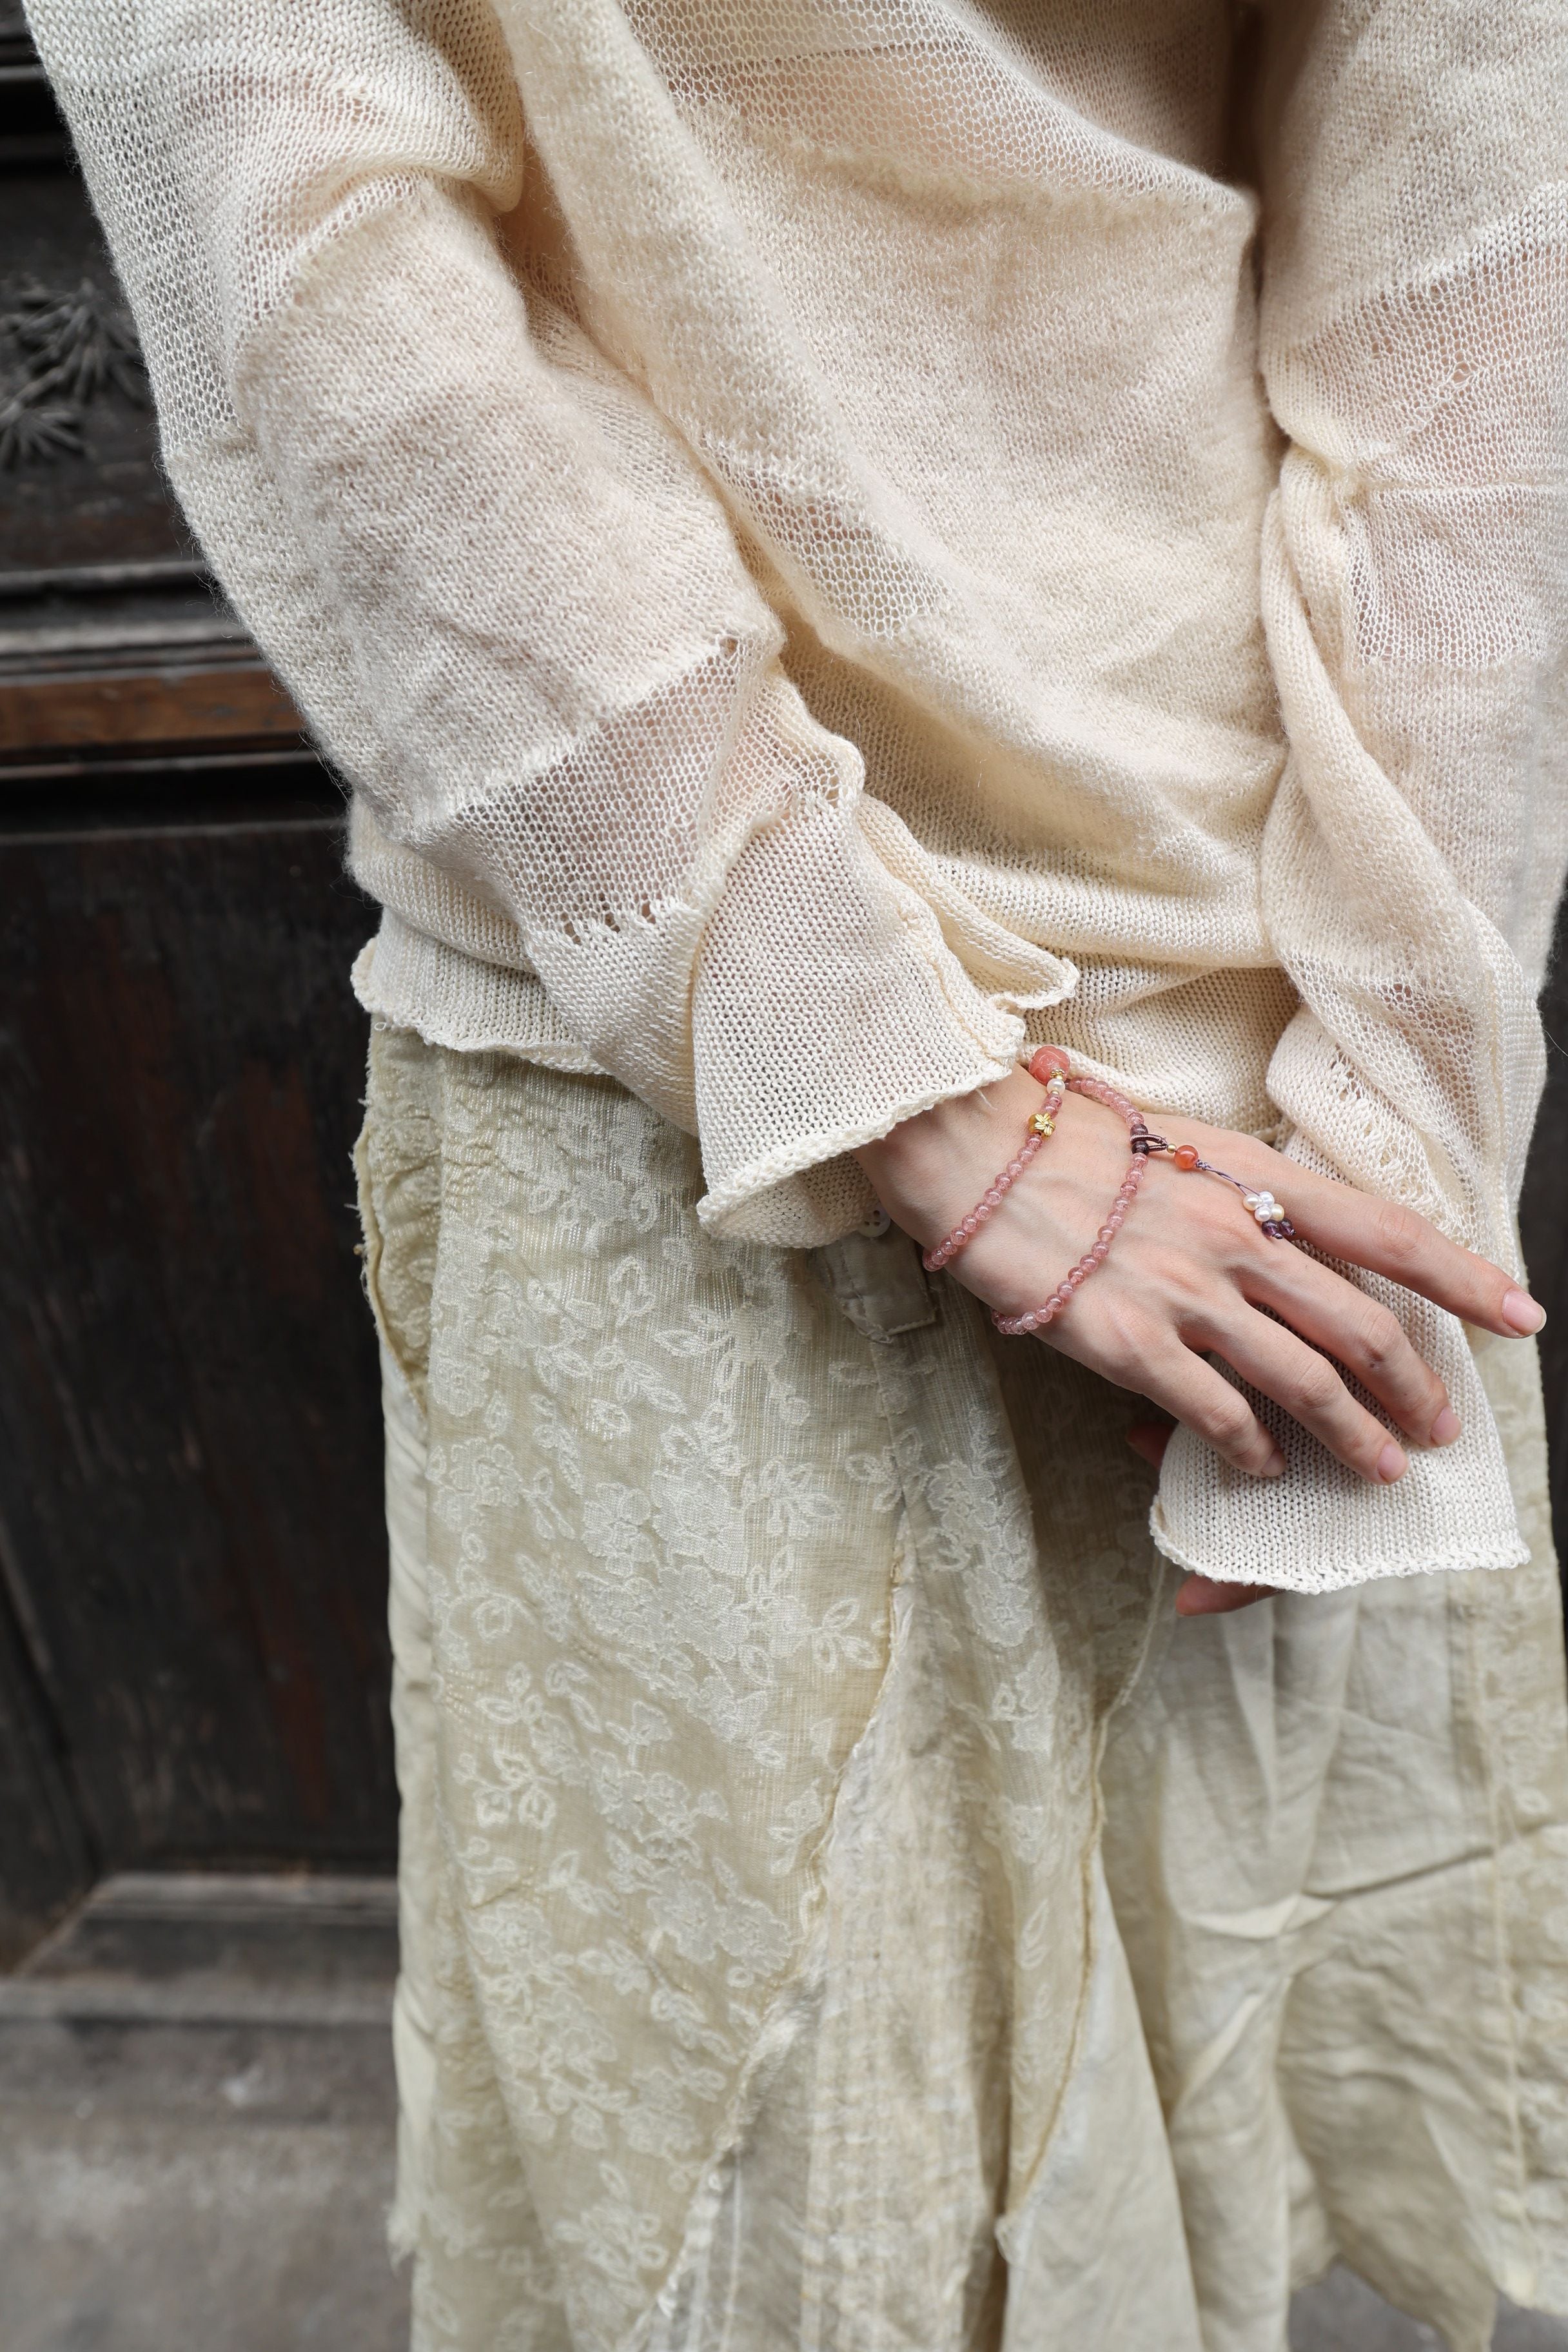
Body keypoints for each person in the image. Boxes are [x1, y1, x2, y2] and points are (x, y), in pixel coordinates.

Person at [31, 1, 1568, 2344]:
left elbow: (1473, 265)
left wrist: (1375, 1132)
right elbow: (305, 254)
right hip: (705, 1059)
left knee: (1166, 2092)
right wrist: (927, 1085)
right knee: (781, 2168)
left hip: (1247, 1082)